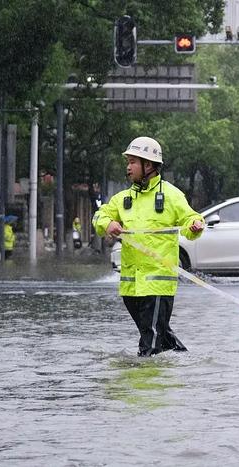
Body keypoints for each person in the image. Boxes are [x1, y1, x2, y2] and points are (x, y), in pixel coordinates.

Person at [92, 136, 204, 357]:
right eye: (128, 162)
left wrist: (195, 226)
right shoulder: (122, 199)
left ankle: (143, 380)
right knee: (156, 332)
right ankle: (186, 362)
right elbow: (98, 216)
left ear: (149, 165)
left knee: (150, 340)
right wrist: (108, 223)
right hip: (131, 288)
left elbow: (190, 220)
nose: (128, 167)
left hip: (157, 286)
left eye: (133, 162)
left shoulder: (172, 195)